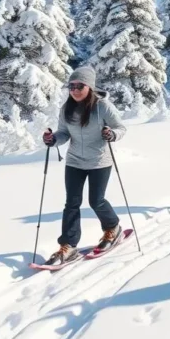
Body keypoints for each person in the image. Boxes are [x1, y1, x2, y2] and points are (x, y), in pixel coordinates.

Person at [41, 66, 127, 266]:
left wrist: (112, 134)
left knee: (96, 201)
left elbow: (120, 127)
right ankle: (69, 245)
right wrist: (53, 139)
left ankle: (112, 228)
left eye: (80, 86)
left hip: (99, 161)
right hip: (74, 161)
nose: (75, 90)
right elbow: (64, 133)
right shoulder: (66, 108)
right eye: (71, 86)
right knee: (71, 203)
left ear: (89, 86)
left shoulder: (102, 106)